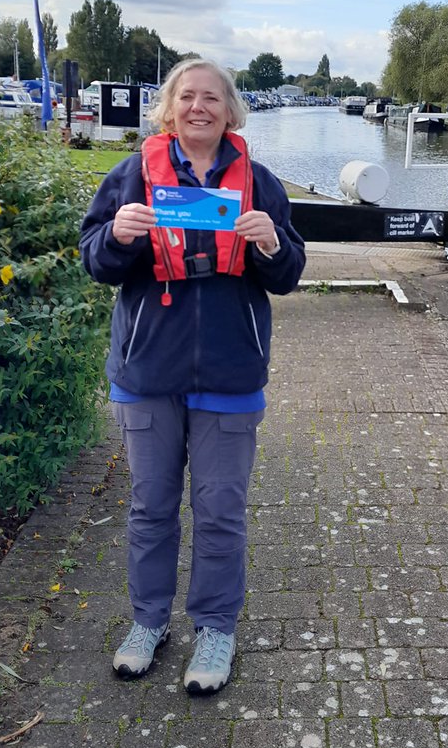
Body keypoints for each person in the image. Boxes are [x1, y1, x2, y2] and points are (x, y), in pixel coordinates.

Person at [80, 59, 306, 694]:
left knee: (220, 511)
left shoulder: (260, 183)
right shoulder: (130, 176)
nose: (199, 107)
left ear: (231, 112)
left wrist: (270, 244)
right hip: (148, 371)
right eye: (188, 97)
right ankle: (148, 622)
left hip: (231, 375)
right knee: (151, 506)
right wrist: (118, 236)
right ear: (170, 109)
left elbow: (288, 274)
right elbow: (94, 258)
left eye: (213, 98)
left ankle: (215, 628)